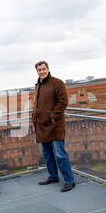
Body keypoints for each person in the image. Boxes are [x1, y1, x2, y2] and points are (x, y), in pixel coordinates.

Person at [32, 61, 75, 192]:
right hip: (42, 125)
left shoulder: (57, 83)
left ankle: (69, 181)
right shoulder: (38, 85)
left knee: (60, 154)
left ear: (48, 69)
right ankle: (53, 176)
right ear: (37, 71)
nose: (42, 71)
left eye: (43, 69)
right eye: (39, 70)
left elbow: (63, 102)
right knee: (47, 154)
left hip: (55, 125)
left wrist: (52, 116)